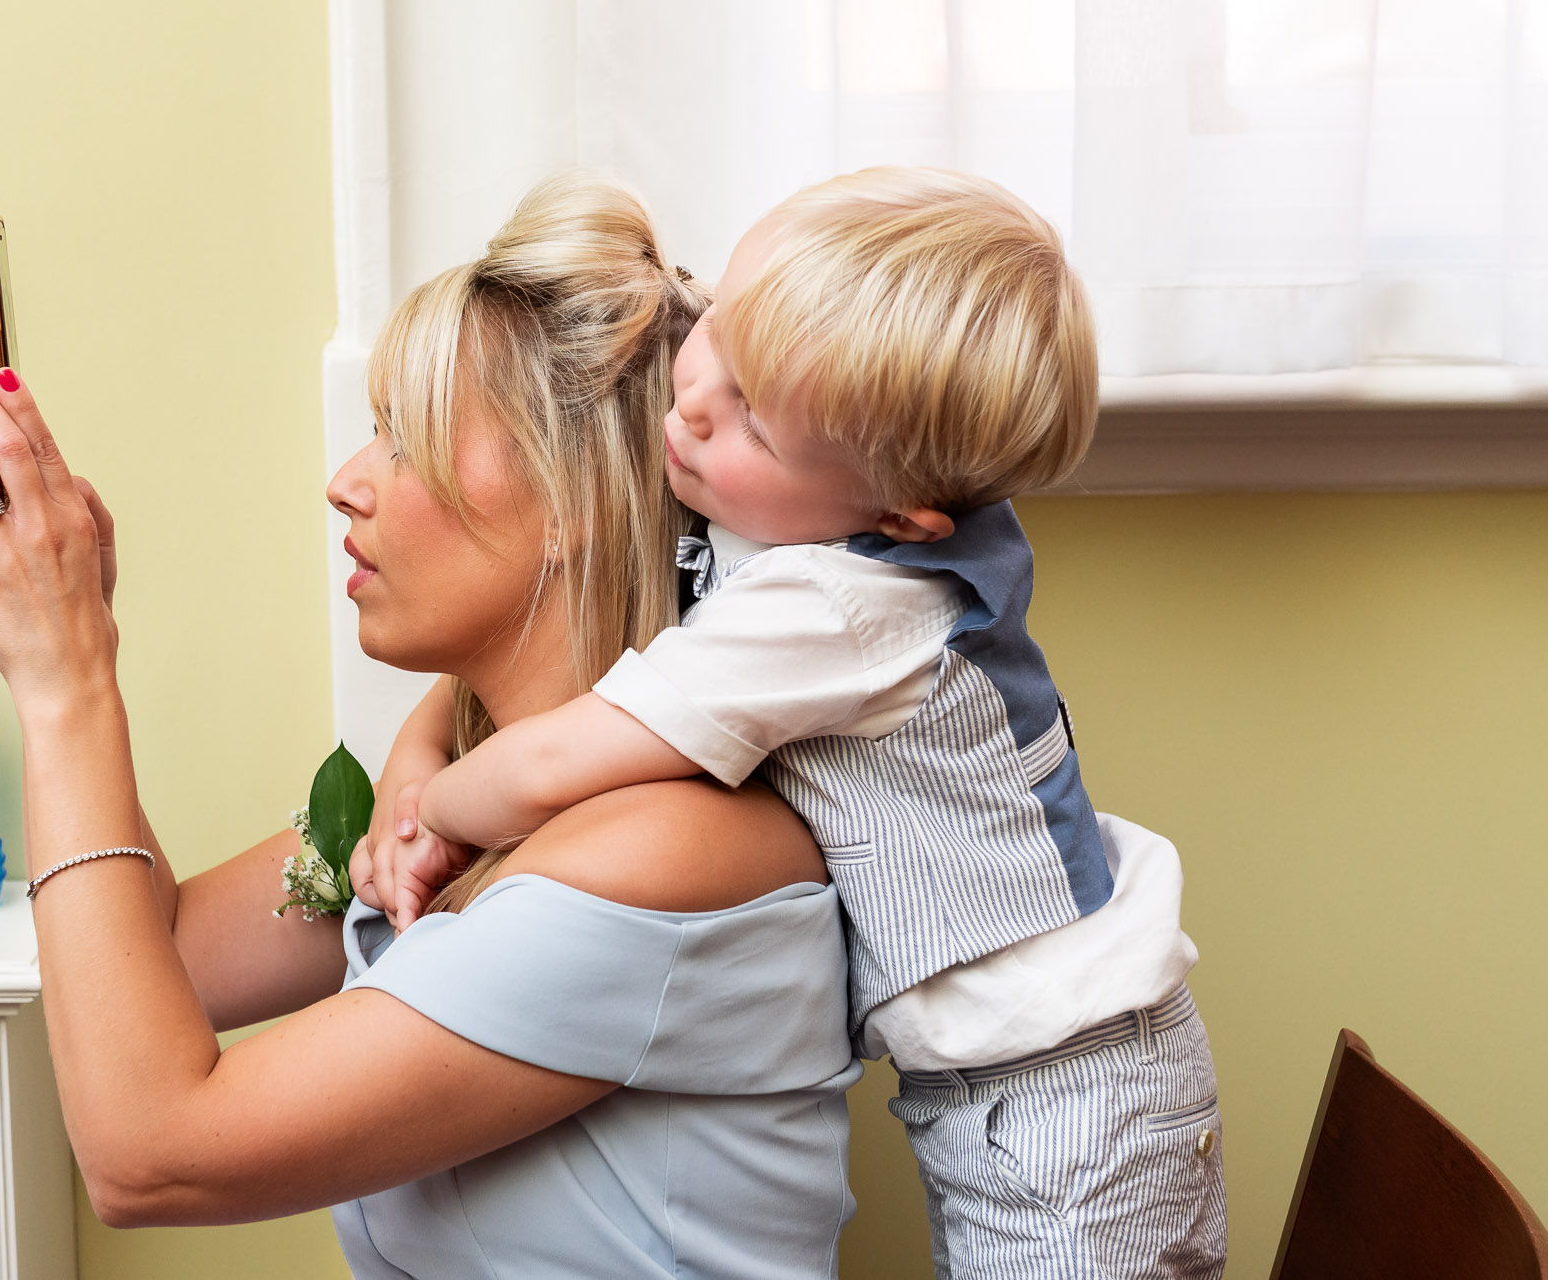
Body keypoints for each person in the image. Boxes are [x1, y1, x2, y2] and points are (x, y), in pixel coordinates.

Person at [0, 170, 864, 1277]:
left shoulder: (671, 851)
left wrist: (62, 688)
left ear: (574, 506)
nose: (345, 484)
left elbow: (147, 1155)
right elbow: (151, 968)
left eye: (403, 438)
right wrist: (81, 641)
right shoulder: (445, 791)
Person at [363, 167, 1226, 1277]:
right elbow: (479, 684)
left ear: (899, 513)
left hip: (1063, 1110)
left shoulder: (835, 608)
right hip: (1057, 1077)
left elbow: (547, 761)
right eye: (716, 328)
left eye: (753, 426)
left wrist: (436, 811)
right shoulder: (816, 510)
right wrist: (412, 757)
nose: (690, 410)